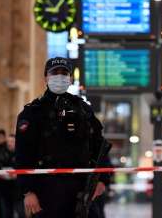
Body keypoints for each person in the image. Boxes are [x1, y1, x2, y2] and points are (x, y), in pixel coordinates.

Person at [15, 57, 111, 218]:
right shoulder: (32, 112)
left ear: (71, 78)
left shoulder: (83, 109)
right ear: (46, 77)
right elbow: (23, 154)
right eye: (55, 72)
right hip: (46, 189)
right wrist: (28, 191)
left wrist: (103, 179)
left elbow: (99, 145)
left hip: (81, 189)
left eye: (64, 73)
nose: (60, 76)